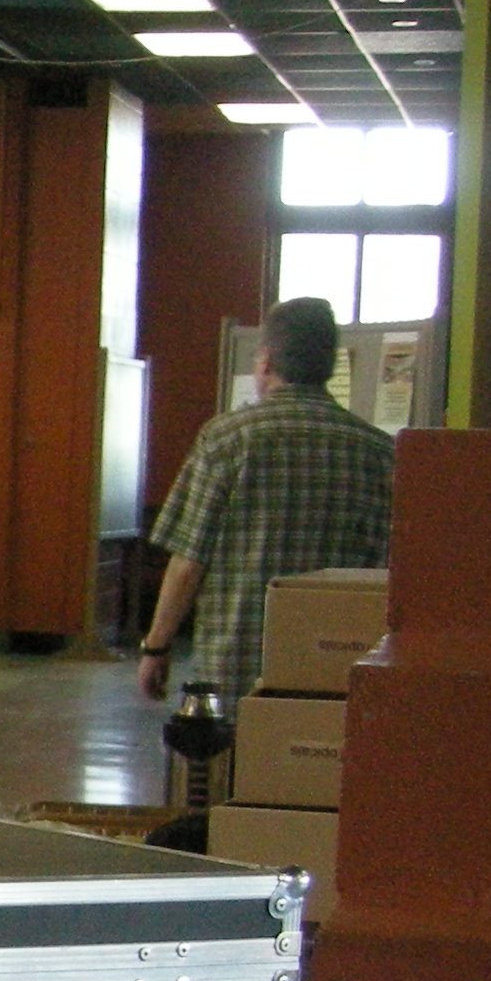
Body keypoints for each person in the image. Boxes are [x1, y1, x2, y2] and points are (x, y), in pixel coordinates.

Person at [138, 296, 392, 705]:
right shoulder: (378, 451)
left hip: (233, 670)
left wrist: (156, 646)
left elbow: (188, 562)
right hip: (336, 667)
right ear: (331, 364)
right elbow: (386, 570)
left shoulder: (226, 439)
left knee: (234, 766)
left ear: (267, 361)